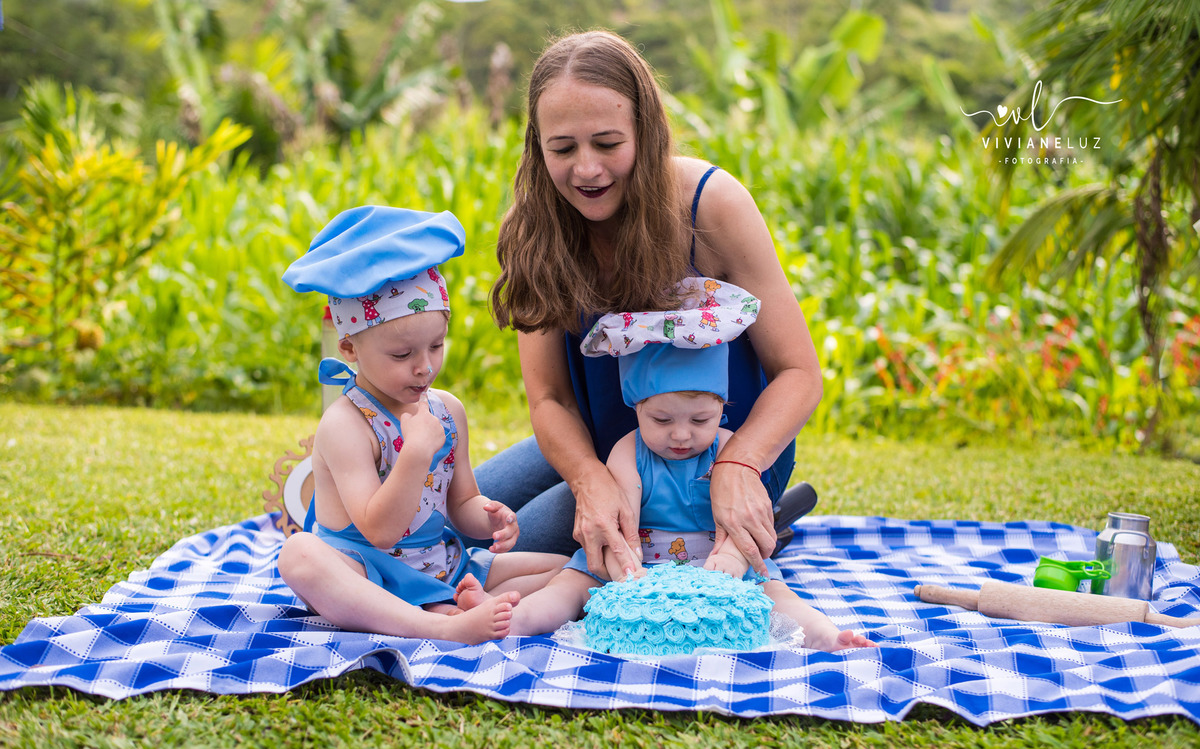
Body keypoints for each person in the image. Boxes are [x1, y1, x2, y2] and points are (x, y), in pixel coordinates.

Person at [481, 29, 823, 582]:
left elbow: (799, 373)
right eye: (562, 148)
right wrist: (589, 478)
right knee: (445, 520)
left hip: (708, 455)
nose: (586, 169)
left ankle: (736, 520)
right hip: (600, 443)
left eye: (608, 144)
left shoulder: (711, 204)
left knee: (494, 556)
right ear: (535, 144)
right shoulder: (536, 228)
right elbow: (550, 398)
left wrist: (739, 464)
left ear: (647, 132)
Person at [458, 282, 873, 652]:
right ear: (636, 406)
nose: (680, 435)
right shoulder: (627, 452)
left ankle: (823, 634)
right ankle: (514, 620)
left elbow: (737, 521)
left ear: (722, 408)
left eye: (699, 420)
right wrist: (629, 575)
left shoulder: (727, 452)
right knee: (569, 585)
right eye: (661, 420)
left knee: (775, 593)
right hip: (637, 562)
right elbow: (622, 519)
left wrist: (729, 563)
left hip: (714, 560)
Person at [277, 205, 566, 644]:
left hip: (440, 563)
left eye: (436, 345)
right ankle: (437, 624)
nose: (424, 367)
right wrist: (414, 452)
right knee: (298, 555)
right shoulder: (346, 424)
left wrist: (491, 518)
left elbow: (461, 501)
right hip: (365, 572)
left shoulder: (446, 410)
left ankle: (466, 604)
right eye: (401, 355)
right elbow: (378, 530)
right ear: (350, 348)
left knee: (572, 568)